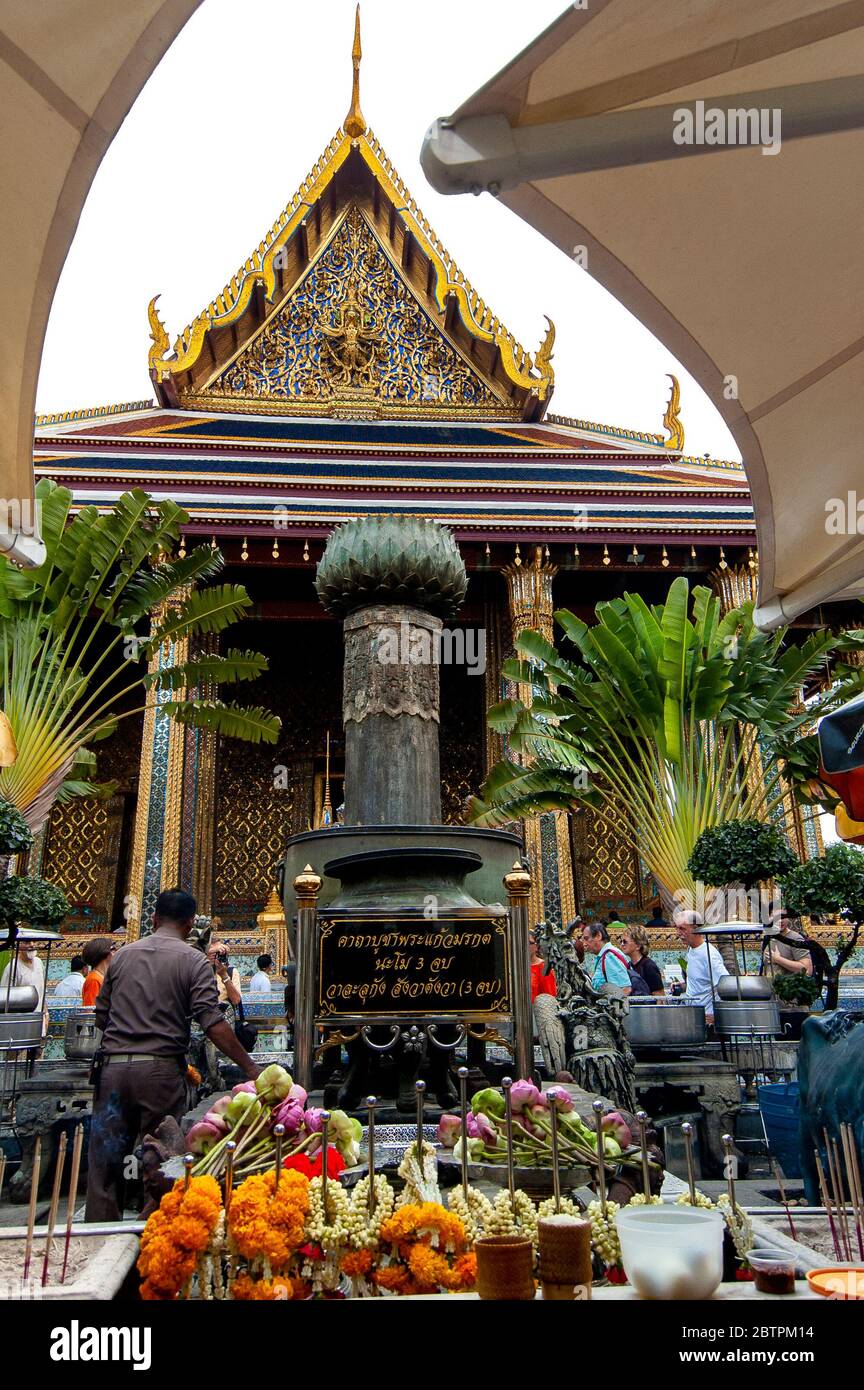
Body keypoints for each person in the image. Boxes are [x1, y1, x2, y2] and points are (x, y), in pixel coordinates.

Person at [85, 887, 259, 1222]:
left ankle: (99, 1247)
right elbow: (213, 1023)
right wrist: (250, 1068)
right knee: (161, 1161)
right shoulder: (193, 961)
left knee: (105, 1165)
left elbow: (101, 1017)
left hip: (113, 1072)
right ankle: (155, 1239)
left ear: (153, 917)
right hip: (160, 1073)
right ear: (191, 923)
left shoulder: (121, 957)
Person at [674, 910, 730, 1023]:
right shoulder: (691, 950)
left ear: (695, 929)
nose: (678, 933)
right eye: (677, 928)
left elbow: (726, 986)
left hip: (708, 1021)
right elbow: (702, 983)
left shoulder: (709, 954)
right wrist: (684, 986)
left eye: (682, 928)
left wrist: (717, 1016)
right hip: (694, 1017)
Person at [581, 922, 631, 994]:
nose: (584, 944)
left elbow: (625, 989)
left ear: (598, 936)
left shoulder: (610, 956)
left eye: (586, 939)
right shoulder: (604, 956)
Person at [617, 924, 665, 996]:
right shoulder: (628, 965)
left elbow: (659, 996)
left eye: (625, 942)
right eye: (621, 941)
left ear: (638, 946)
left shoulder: (649, 966)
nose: (622, 944)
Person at [763, 914, 814, 978]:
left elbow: (808, 970)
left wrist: (778, 959)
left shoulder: (795, 939)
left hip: (789, 986)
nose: (780, 921)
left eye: (783, 917)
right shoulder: (768, 938)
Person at [1, 939, 46, 1005]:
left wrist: (45, 1010)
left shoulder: (39, 962)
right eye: (27, 942)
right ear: (18, 945)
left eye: (34, 941)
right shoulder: (13, 967)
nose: (32, 945)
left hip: (39, 1013)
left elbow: (42, 992)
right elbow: (5, 996)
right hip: (22, 1013)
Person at [207, 940, 242, 1008]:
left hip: (223, 1016)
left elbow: (236, 1000)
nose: (215, 956)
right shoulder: (198, 970)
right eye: (212, 953)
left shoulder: (231, 972)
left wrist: (224, 975)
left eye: (218, 953)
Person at [81, 937, 116, 1005]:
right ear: (106, 954)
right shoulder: (94, 980)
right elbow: (90, 1009)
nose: (115, 953)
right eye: (113, 950)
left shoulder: (102, 977)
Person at [529, 930, 556, 1001]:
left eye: (529, 943)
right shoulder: (513, 968)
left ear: (536, 946)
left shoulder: (543, 968)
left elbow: (550, 999)